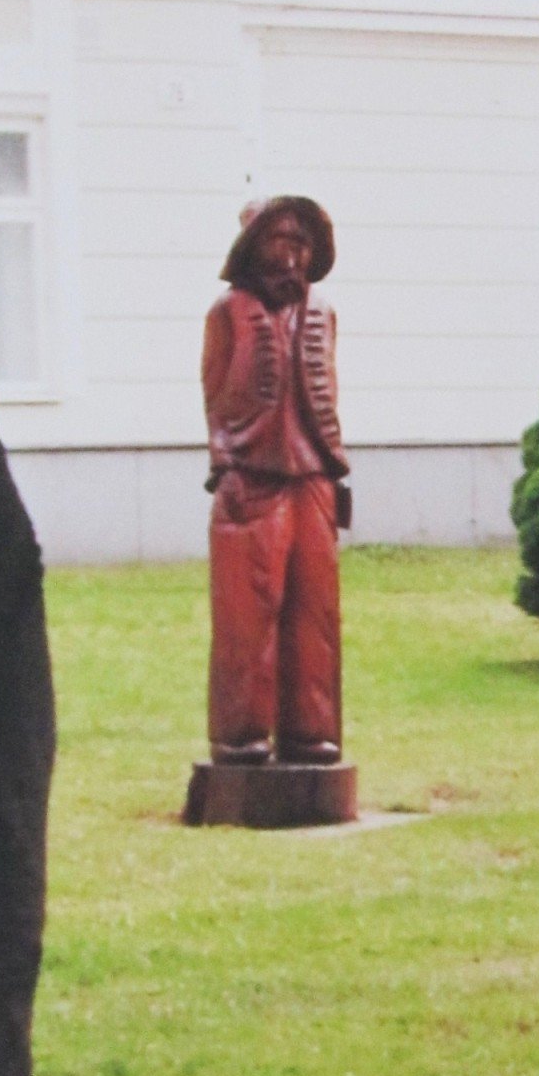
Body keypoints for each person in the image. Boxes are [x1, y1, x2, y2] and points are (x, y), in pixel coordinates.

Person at [201, 196, 350, 765]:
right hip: (252, 473)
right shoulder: (227, 313)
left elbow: (328, 391)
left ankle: (310, 730)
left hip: (312, 475)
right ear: (252, 249)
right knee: (246, 609)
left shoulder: (323, 313)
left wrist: (336, 472)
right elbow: (214, 395)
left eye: (302, 244)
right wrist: (225, 466)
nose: (292, 257)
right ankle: (240, 734)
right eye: (279, 241)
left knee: (316, 609)